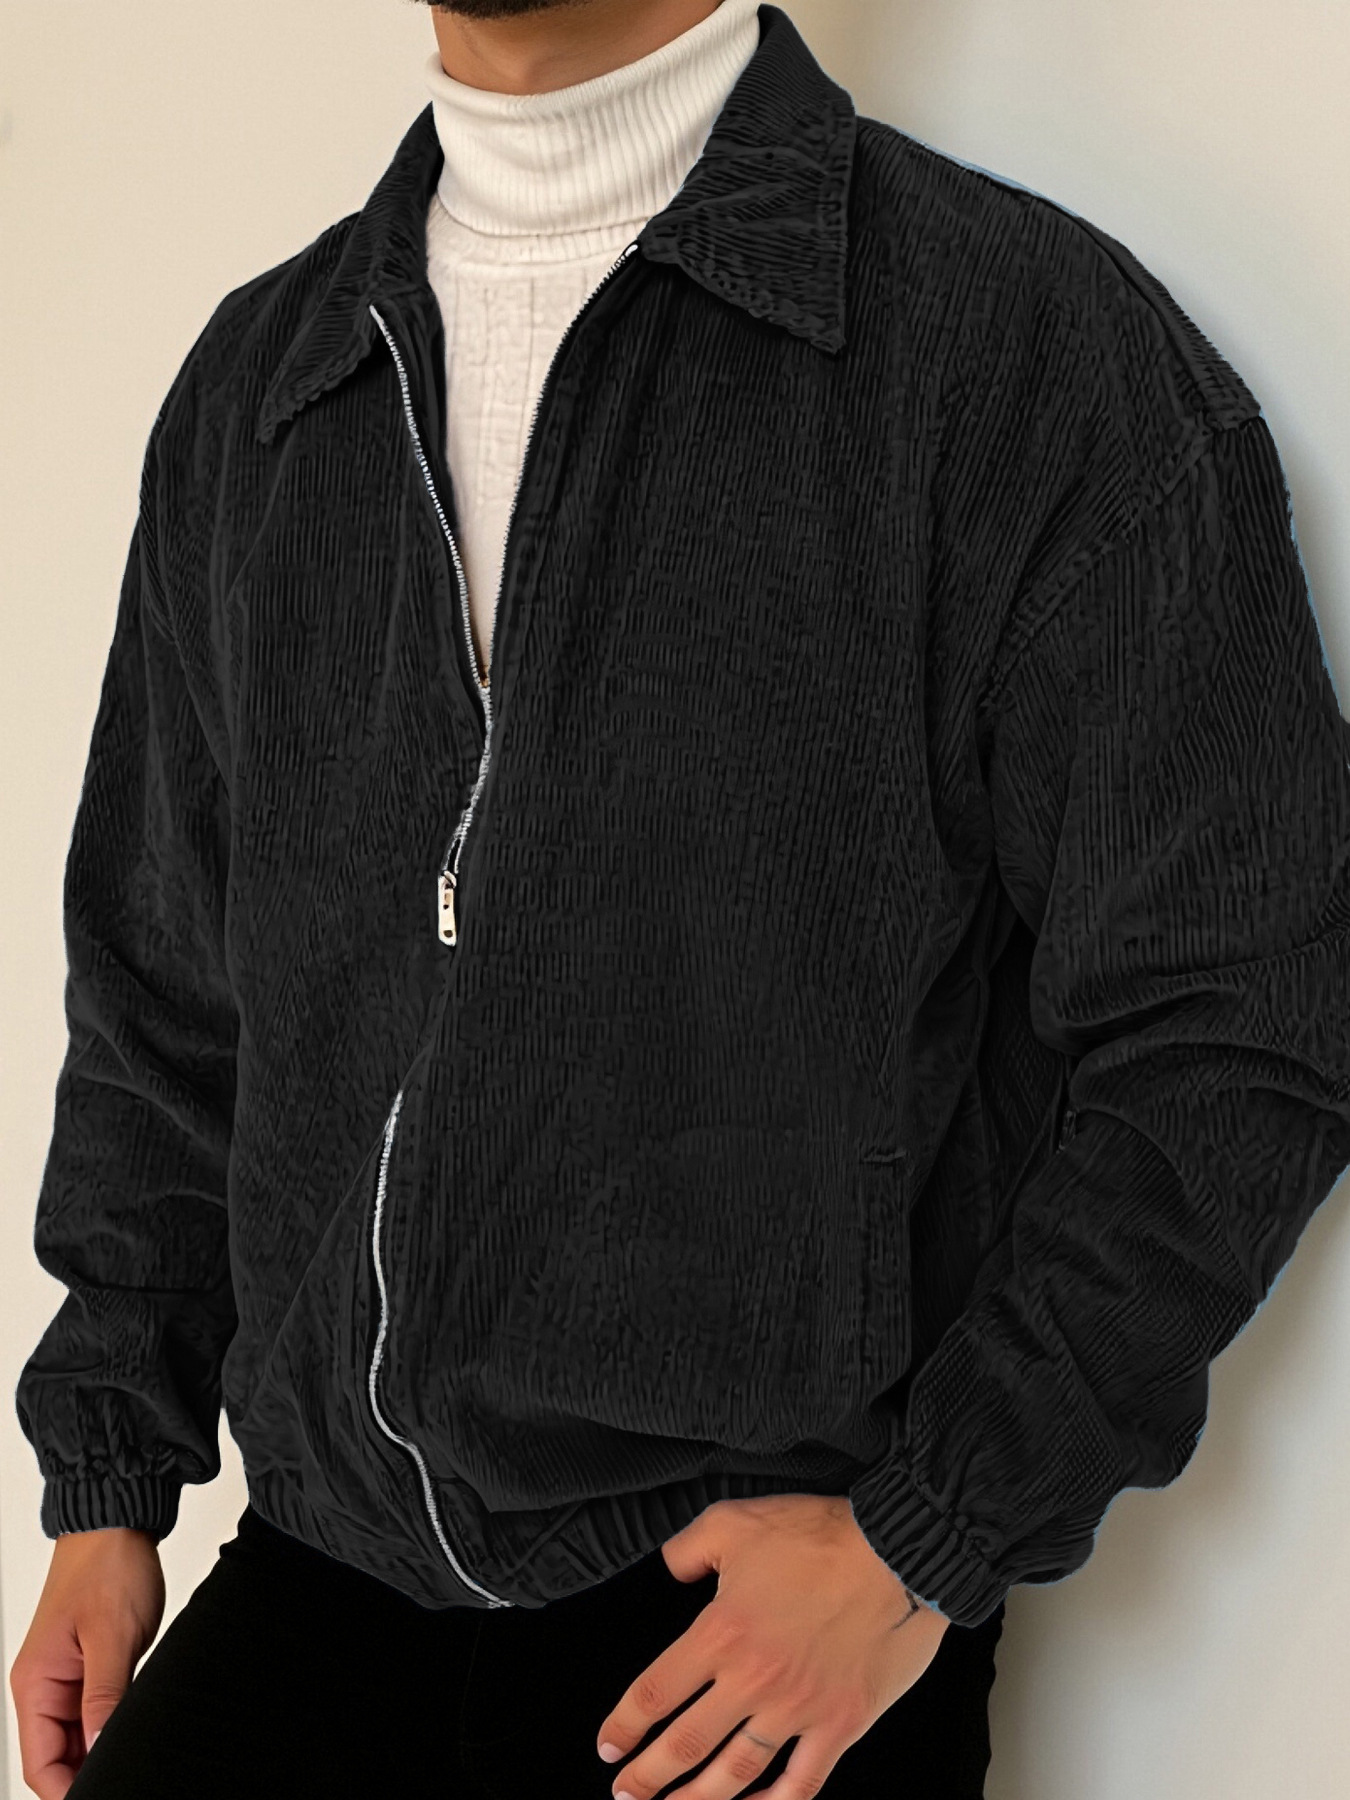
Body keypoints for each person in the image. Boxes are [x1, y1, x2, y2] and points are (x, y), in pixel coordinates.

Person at [10, 1, 1350, 1796]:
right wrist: (106, 1479)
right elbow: (167, 993)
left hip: (749, 1634)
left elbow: (1246, 1008)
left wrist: (924, 1537)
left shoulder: (1017, 352)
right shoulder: (265, 382)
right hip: (321, 1569)